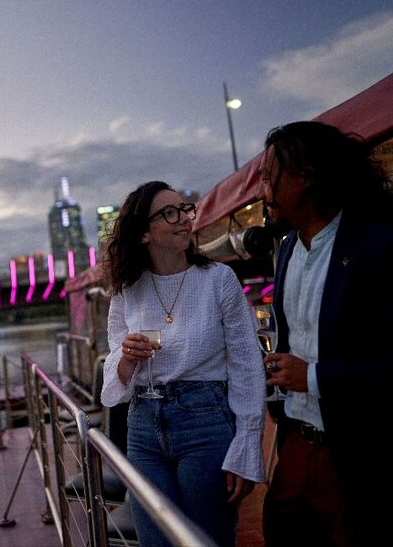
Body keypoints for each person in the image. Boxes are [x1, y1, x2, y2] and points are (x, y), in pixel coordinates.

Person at [258, 121, 393, 546]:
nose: (262, 190)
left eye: (269, 176)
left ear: (305, 176)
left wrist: (311, 377)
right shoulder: (287, 249)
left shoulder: (387, 248)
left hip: (367, 461)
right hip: (297, 450)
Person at [100, 181, 266, 547]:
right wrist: (125, 357)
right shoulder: (128, 289)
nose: (184, 220)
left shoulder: (217, 280)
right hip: (143, 427)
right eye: (169, 213)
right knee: (155, 541)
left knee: (205, 539)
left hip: (205, 421)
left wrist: (247, 445)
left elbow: (246, 364)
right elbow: (113, 385)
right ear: (143, 234)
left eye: (184, 209)